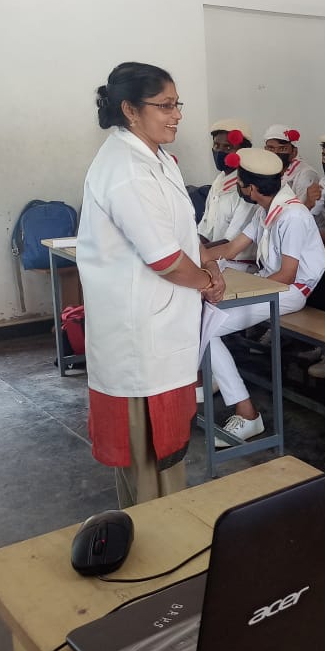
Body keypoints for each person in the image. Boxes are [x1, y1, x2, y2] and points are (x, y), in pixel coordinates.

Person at [79, 62, 224, 507]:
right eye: (164, 105)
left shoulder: (156, 158)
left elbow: (181, 232)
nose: (177, 114)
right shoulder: (127, 169)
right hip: (139, 338)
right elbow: (164, 259)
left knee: (168, 459)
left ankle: (169, 530)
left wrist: (207, 261)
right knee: (147, 464)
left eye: (177, 104)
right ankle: (153, 541)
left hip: (162, 327)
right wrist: (206, 281)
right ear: (130, 109)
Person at [201, 148, 325, 444]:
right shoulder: (266, 210)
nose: (239, 187)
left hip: (289, 292)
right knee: (201, 321)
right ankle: (210, 379)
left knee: (205, 327)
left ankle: (247, 414)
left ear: (251, 189)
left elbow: (287, 275)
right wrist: (199, 254)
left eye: (240, 183)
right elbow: (231, 248)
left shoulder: (292, 215)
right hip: (269, 285)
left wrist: (237, 290)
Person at [197, 118, 257, 271]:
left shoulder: (247, 188)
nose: (219, 152)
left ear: (243, 151)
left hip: (238, 266)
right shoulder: (219, 181)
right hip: (212, 259)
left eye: (228, 147)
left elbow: (230, 243)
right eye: (216, 145)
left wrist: (193, 252)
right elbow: (204, 231)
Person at [263, 124, 322, 210]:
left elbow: (302, 211)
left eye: (282, 149)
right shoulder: (264, 171)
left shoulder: (305, 174)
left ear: (294, 152)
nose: (275, 153)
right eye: (271, 148)